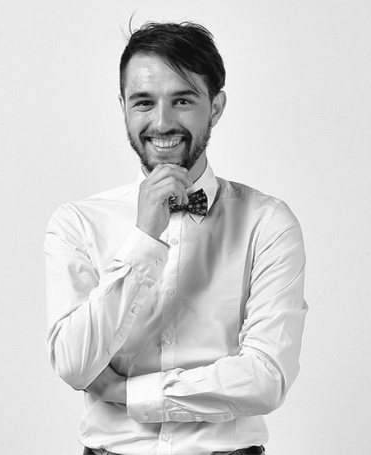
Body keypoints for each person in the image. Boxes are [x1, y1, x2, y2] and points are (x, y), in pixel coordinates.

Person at [44, 21, 307, 455]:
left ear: (215, 107)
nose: (162, 122)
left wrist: (126, 392)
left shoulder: (268, 223)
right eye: (143, 102)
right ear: (124, 107)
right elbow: (73, 363)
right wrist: (144, 237)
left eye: (182, 100)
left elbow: (266, 378)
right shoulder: (77, 223)